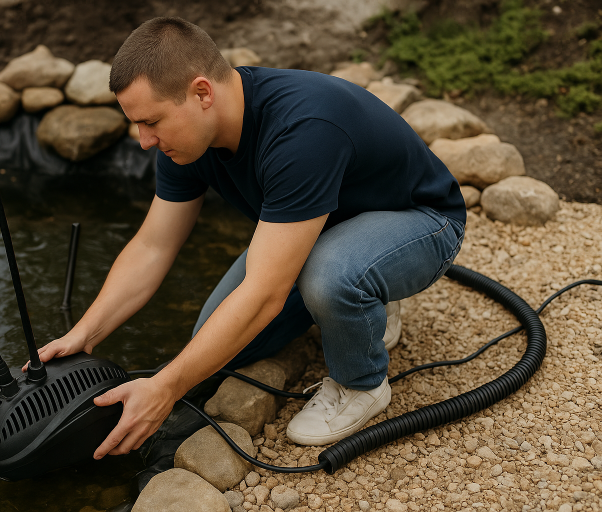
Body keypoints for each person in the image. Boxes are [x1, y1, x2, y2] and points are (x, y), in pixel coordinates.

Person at [23, 16, 466, 458]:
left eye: (151, 121)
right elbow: (153, 246)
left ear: (202, 92)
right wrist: (85, 331)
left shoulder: (300, 130)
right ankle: (365, 295)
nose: (144, 141)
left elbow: (264, 293)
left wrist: (166, 387)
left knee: (331, 276)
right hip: (324, 227)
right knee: (219, 347)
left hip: (421, 220)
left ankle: (361, 382)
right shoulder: (186, 140)